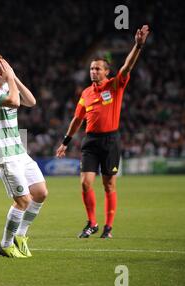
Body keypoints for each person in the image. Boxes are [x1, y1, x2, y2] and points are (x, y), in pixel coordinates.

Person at [56, 25, 150, 238]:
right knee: (85, 182)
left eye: (98, 68)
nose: (93, 71)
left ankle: (108, 227)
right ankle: (92, 223)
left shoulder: (115, 85)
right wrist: (65, 142)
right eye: (91, 68)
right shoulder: (86, 93)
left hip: (111, 140)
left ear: (107, 72)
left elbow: (127, 66)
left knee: (109, 185)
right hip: (90, 141)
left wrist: (138, 45)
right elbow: (77, 119)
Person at [0, 54, 48, 258]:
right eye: (1, 67)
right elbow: (14, 102)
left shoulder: (9, 85)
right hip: (4, 155)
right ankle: (5, 244)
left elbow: (31, 101)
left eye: (6, 66)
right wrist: (10, 79)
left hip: (19, 151)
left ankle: (21, 235)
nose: (6, 69)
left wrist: (13, 77)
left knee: (41, 192)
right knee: (23, 201)